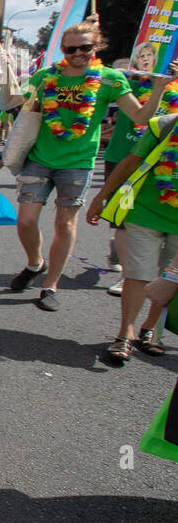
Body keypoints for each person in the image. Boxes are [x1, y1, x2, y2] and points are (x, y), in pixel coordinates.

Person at [5, 19, 164, 311]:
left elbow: (141, 118)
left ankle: (50, 284)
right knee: (26, 220)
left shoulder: (110, 79)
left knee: (64, 224)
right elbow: (10, 102)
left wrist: (159, 90)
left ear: (96, 46)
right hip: (40, 159)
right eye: (70, 48)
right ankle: (35, 263)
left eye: (85, 48)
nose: (77, 53)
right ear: (63, 49)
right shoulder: (45, 76)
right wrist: (4, 73)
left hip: (77, 163)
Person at [86, 79, 178, 361]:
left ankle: (151, 329)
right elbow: (130, 162)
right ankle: (125, 332)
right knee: (139, 273)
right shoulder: (164, 124)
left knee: (169, 276)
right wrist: (102, 195)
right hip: (145, 211)